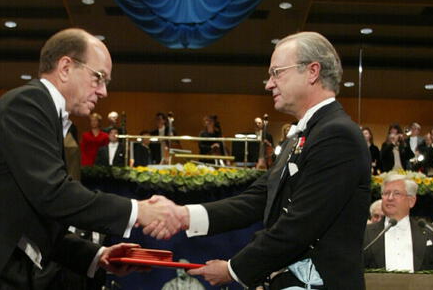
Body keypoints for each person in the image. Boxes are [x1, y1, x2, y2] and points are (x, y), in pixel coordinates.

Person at [0, 28, 181, 290]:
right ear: (65, 67)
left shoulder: (44, 111)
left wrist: (98, 256)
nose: (103, 91)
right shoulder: (28, 102)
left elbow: (38, 220)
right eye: (99, 78)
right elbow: (53, 194)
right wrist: (139, 211)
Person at [152, 32, 370, 289]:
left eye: (277, 72)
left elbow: (300, 225)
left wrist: (234, 270)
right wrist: (184, 215)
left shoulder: (336, 135)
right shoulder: (305, 134)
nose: (269, 84)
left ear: (312, 72)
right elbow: (257, 199)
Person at [363, 174, 433, 272]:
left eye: (396, 193)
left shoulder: (431, 233)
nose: (390, 198)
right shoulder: (365, 233)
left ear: (411, 201)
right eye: (386, 193)